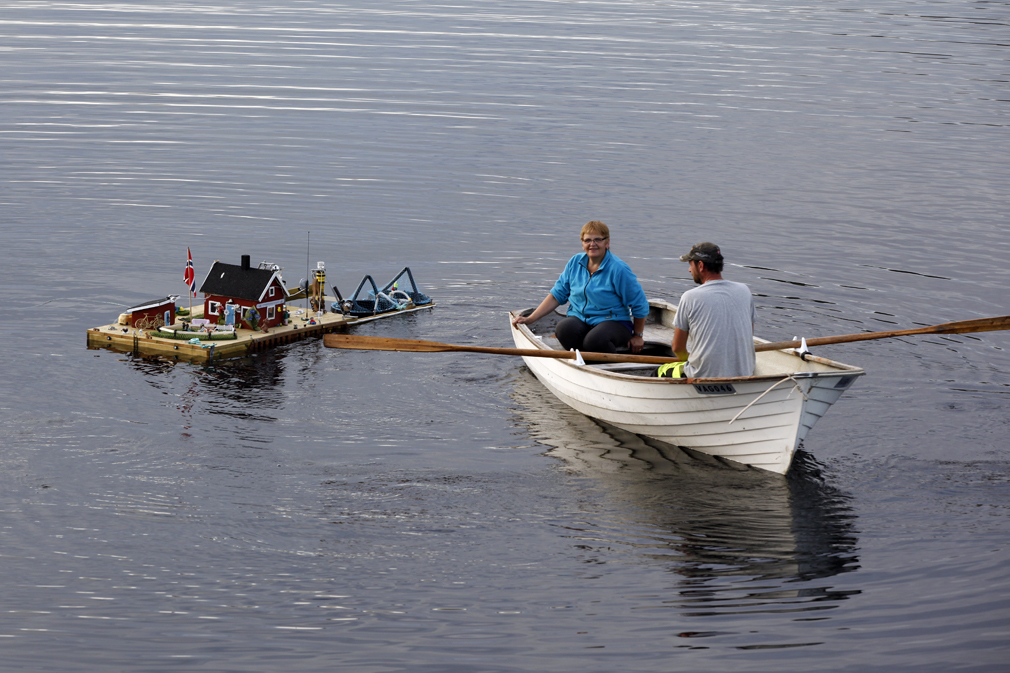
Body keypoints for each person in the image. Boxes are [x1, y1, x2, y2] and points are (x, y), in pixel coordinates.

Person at [512, 221, 650, 354]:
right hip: (581, 318)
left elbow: (640, 304)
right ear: (582, 243)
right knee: (564, 329)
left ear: (607, 243)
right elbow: (557, 295)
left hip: (614, 321)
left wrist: (638, 336)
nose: (592, 244)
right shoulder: (575, 262)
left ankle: (608, 366)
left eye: (598, 240)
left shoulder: (619, 269)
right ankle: (584, 364)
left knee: (595, 340)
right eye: (587, 240)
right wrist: (530, 319)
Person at [661, 242, 755, 378]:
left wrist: (688, 359)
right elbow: (748, 335)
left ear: (700, 265)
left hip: (703, 377)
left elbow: (677, 348)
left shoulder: (690, 297)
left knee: (658, 372)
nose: (689, 270)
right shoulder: (744, 290)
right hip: (744, 375)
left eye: (690, 264)